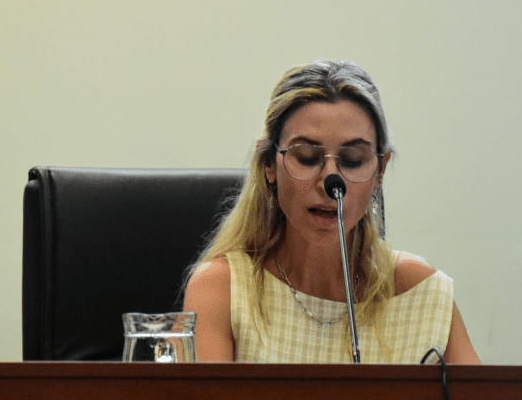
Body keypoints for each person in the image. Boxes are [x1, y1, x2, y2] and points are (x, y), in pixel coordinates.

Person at [183, 60, 480, 364]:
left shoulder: (420, 292)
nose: (329, 182)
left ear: (380, 171)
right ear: (269, 163)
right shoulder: (223, 289)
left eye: (352, 160)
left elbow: (480, 397)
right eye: (307, 157)